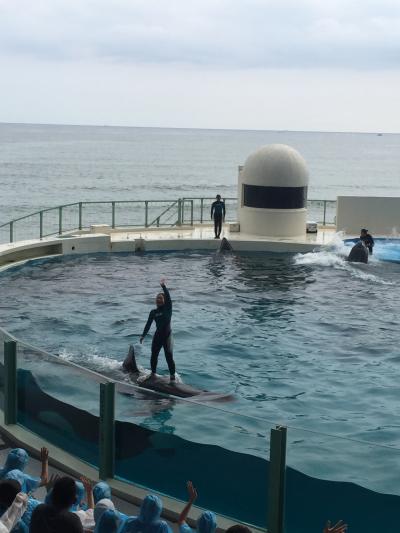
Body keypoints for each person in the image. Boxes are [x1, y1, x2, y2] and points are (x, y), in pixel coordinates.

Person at [140, 279, 176, 382]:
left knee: (169, 357)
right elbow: (148, 324)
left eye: (161, 298)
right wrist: (143, 335)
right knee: (154, 355)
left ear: (165, 300)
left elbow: (168, 296)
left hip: (167, 336)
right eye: (157, 298)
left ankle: (172, 377)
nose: (159, 300)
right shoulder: (153, 312)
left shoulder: (168, 308)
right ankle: (153, 374)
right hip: (158, 336)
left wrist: (163, 286)